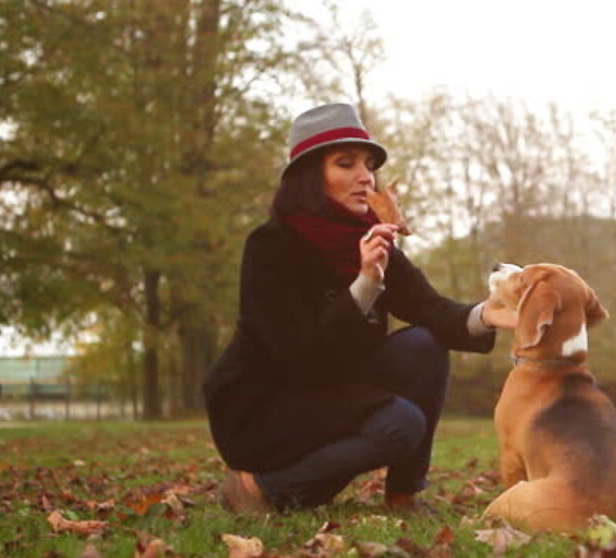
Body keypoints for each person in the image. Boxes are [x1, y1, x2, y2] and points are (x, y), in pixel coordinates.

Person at [203, 103, 514, 514]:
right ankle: (262, 488)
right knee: (401, 424)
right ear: (311, 176)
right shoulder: (271, 246)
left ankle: (403, 496)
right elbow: (295, 356)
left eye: (368, 165)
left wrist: (488, 313)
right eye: (345, 164)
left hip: (329, 389)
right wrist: (366, 283)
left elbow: (432, 309)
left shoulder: (371, 240)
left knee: (424, 345)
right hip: (264, 407)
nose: (365, 176)